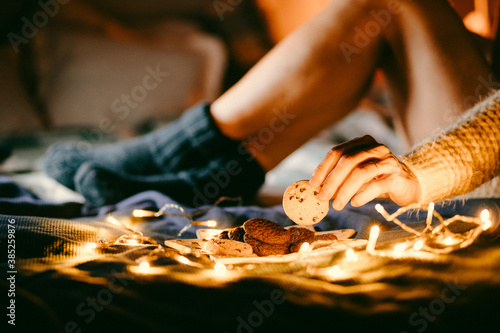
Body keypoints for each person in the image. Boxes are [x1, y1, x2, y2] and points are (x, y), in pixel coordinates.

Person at [42, 0, 497, 208]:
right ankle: (205, 179)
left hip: (484, 176)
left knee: (393, 3)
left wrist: (419, 173)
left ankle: (170, 153)